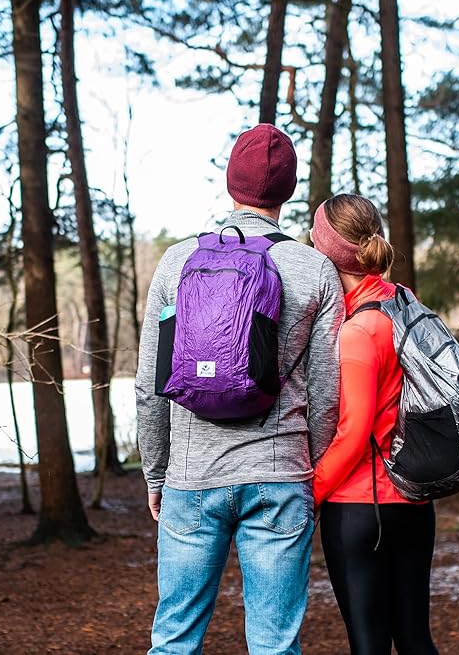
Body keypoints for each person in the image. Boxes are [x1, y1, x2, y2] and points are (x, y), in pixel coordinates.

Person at [135, 123, 345, 655]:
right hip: (279, 476)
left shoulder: (177, 262)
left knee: (173, 641)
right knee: (274, 645)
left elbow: (150, 386)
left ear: (231, 182)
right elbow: (327, 394)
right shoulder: (314, 269)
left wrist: (157, 473)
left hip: (190, 476)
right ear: (288, 189)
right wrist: (312, 477)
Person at [310, 194, 440, 655]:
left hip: (360, 509)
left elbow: (353, 431)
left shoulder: (358, 332)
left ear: (328, 252)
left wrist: (309, 494)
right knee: (416, 640)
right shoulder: (405, 303)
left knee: (369, 646)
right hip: (415, 502)